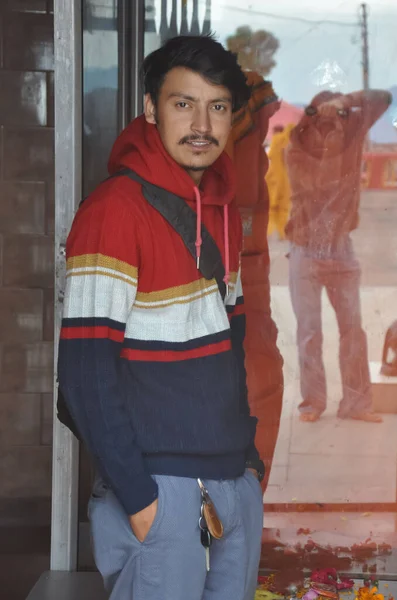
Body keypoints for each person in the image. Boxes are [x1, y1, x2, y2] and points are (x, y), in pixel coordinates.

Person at [57, 35, 265, 600]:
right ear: (150, 109)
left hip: (231, 485)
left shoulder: (223, 213)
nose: (202, 123)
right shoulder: (115, 210)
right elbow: (84, 375)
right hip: (159, 493)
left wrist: (247, 465)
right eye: (183, 103)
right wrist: (143, 501)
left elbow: (233, 347)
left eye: (217, 106)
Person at [285, 89, 392, 423]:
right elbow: (313, 184)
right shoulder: (297, 148)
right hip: (306, 248)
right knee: (309, 331)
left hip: (341, 249)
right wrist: (326, 115)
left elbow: (384, 98)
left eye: (338, 117)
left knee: (353, 330)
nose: (331, 124)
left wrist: (345, 104)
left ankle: (356, 404)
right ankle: (312, 403)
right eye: (321, 116)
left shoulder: (352, 132)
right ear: (310, 118)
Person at [225, 72, 284, 493]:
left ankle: (241, 509)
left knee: (260, 388)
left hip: (247, 282)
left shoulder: (248, 146)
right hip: (224, 283)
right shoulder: (230, 142)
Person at [266, 124, 294, 240]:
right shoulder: (289, 142)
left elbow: (271, 155)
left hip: (273, 177)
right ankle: (282, 233)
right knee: (283, 208)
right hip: (285, 179)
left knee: (271, 207)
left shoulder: (276, 140)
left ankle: (268, 232)